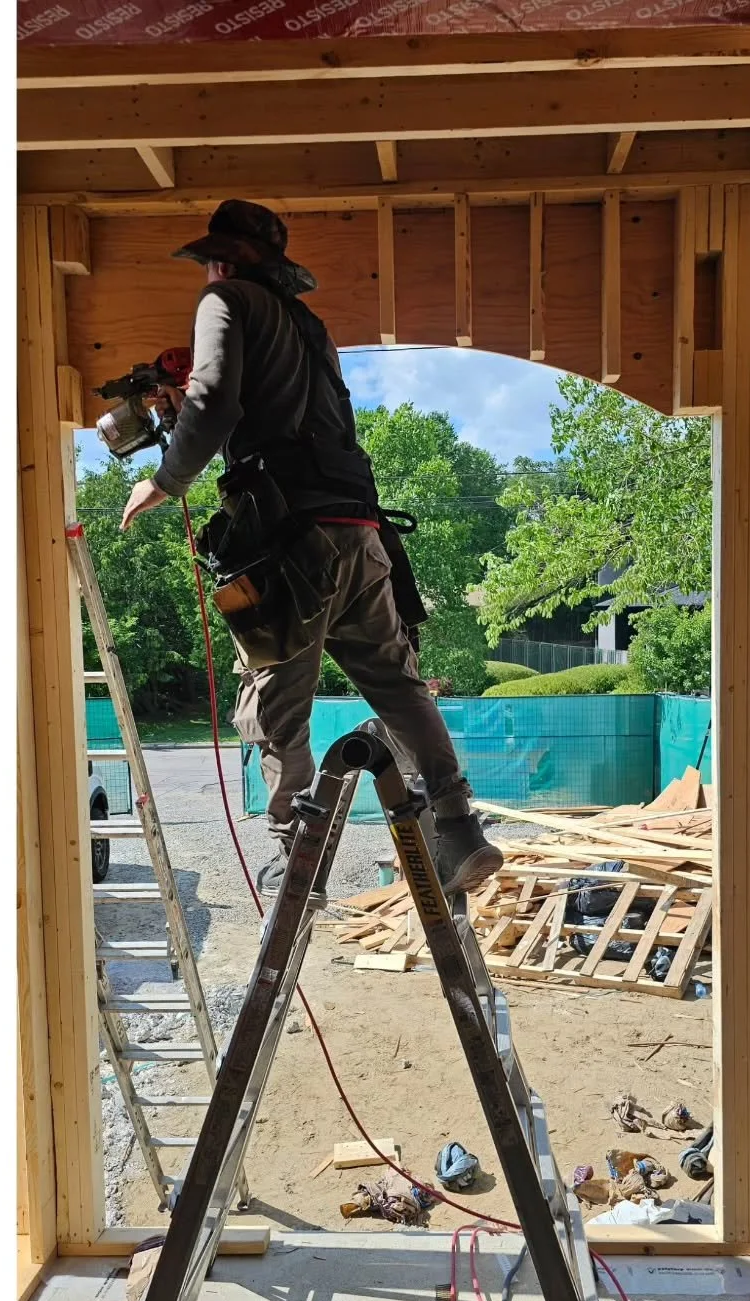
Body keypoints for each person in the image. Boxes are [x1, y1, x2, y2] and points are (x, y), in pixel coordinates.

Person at [119, 199, 503, 898]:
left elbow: (214, 403)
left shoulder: (223, 298)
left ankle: (295, 859)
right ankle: (458, 829)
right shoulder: (308, 326)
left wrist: (166, 479)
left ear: (221, 259)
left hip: (291, 538)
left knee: (273, 697)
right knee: (396, 686)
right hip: (359, 530)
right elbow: (274, 410)